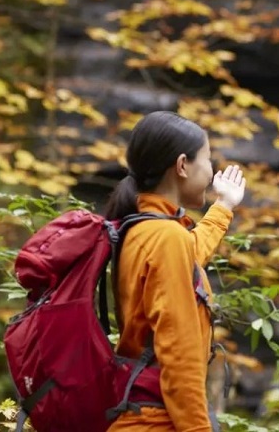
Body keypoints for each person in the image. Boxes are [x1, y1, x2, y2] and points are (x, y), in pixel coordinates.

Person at [105, 110, 246, 432]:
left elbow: (190, 256)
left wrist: (224, 206)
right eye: (208, 160)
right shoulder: (166, 237)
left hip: (138, 413)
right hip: (159, 420)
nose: (212, 173)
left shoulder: (141, 229)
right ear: (182, 165)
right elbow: (179, 356)